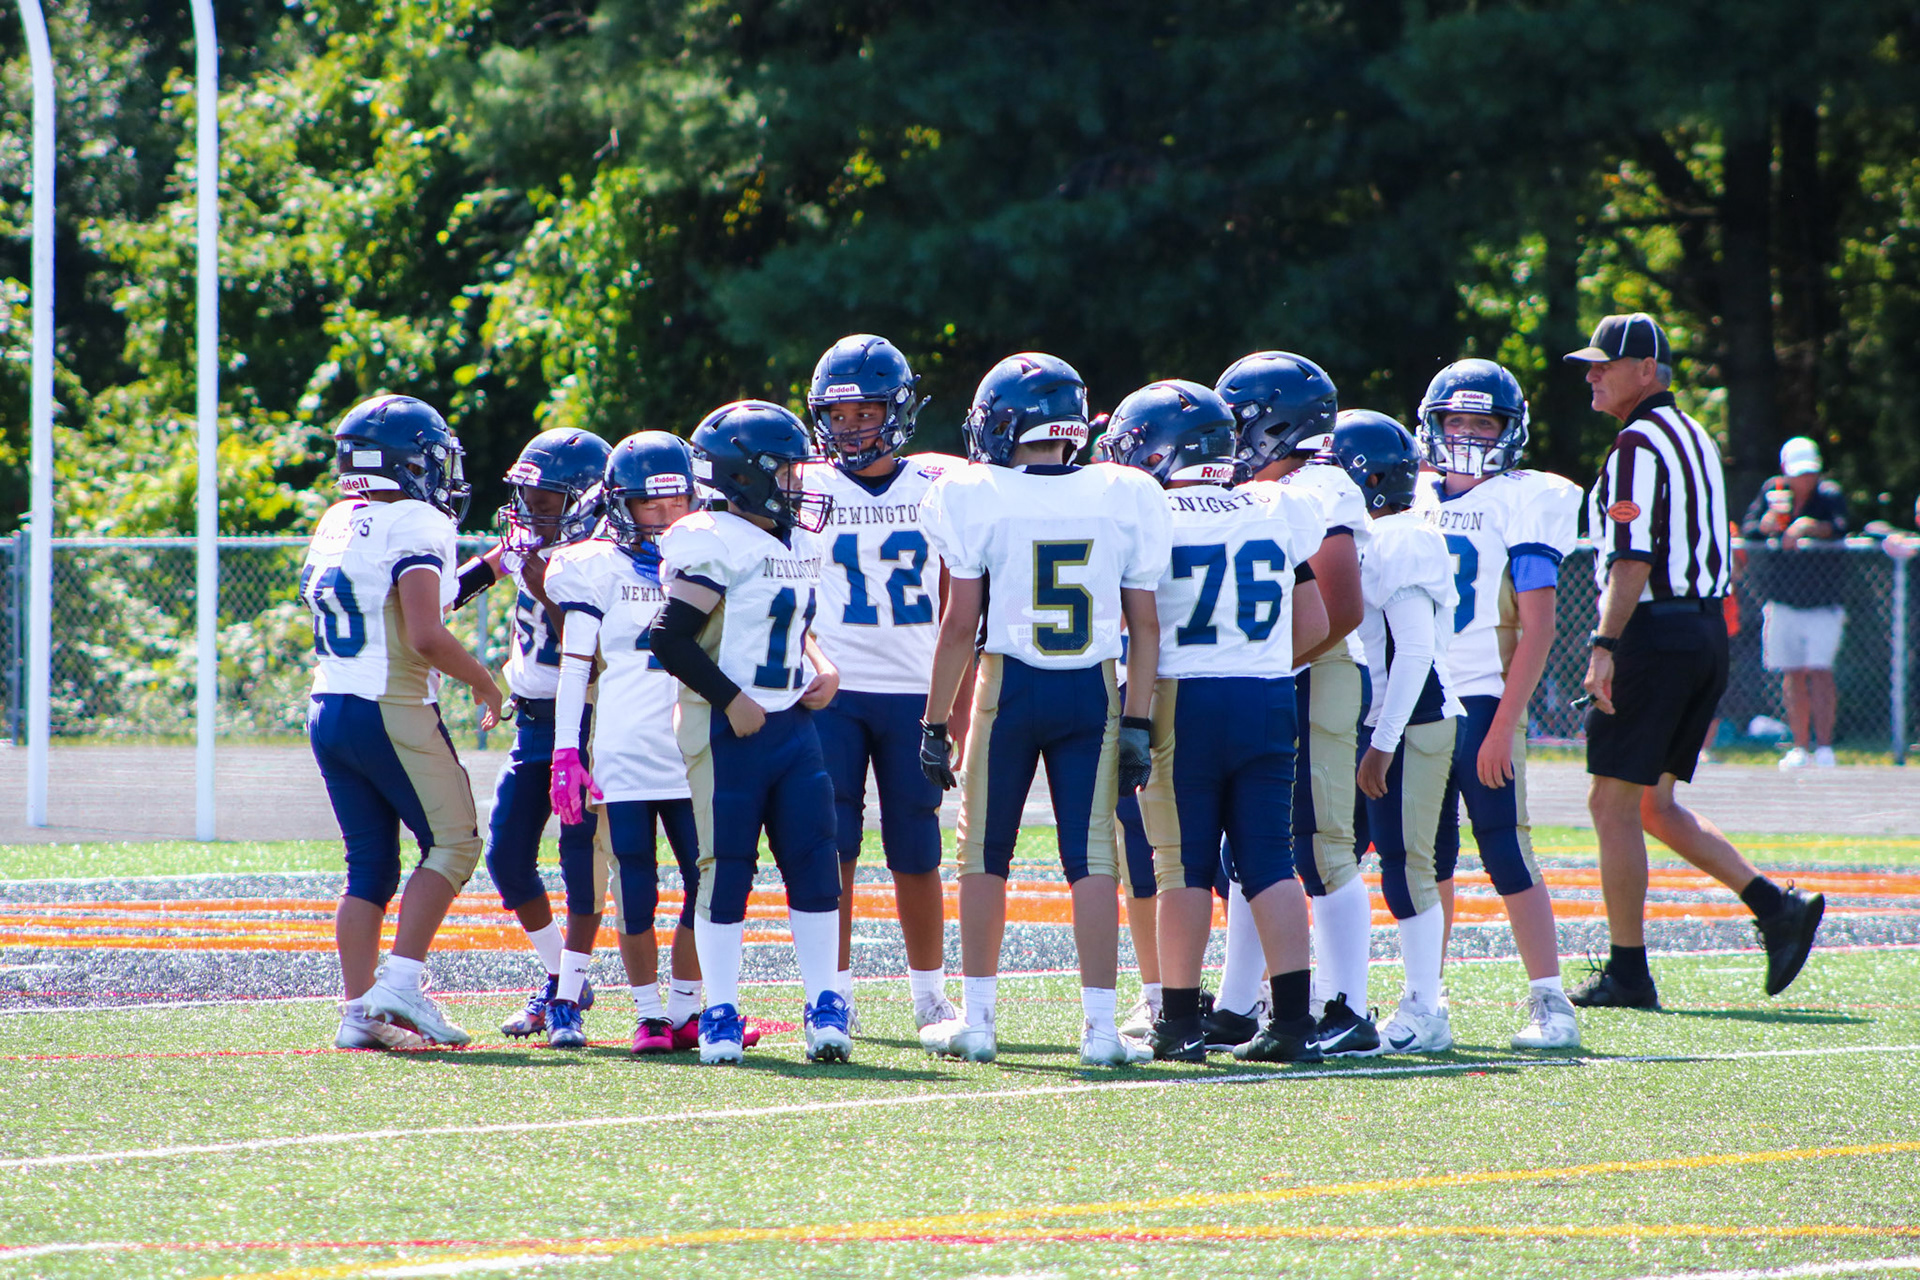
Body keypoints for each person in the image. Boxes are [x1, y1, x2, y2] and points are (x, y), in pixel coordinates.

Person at [916, 352, 1171, 1067]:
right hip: (1092, 688)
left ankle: (980, 1023)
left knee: (981, 852)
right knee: (1092, 857)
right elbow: (1145, 627)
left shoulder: (974, 493)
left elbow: (959, 625)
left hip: (1008, 687)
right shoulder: (1124, 491)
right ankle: (1099, 1030)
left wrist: (934, 722)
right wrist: (1139, 720)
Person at [1568, 312, 1824, 1006]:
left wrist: (1603, 647)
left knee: (1610, 802)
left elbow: (1632, 559)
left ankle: (1629, 971)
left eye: (1603, 365)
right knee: (1652, 805)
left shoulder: (1635, 444)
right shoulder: (1694, 435)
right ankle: (1776, 907)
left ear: (1646, 370)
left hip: (1656, 633)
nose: (1592, 376)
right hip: (1704, 630)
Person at [1099, 380, 1328, 1064]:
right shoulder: (1275, 505)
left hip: (1181, 698)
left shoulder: (1147, 514)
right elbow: (1314, 619)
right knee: (1271, 860)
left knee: (1182, 867)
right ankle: (1293, 1022)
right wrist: (1254, 659)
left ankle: (1177, 1021)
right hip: (1266, 695)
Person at [649, 401, 849, 1064]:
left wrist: (822, 666)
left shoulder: (792, 539)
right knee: (727, 866)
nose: (798, 482)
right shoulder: (713, 538)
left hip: (792, 723)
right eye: (785, 471)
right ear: (744, 476)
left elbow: (787, 623)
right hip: (726, 727)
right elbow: (669, 637)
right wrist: (730, 700)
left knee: (815, 860)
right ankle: (720, 1011)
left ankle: (825, 1002)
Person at [301, 394, 503, 1049]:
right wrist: (485, 682)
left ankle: (357, 1013)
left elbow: (413, 600)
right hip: (389, 706)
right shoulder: (418, 519)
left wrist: (494, 565)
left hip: (329, 705)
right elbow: (425, 632)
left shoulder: (338, 518)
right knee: (455, 843)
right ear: (408, 462)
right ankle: (402, 983)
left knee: (369, 867)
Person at [547, 432, 751, 1055]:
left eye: (677, 502)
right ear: (620, 504)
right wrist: (566, 751)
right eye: (649, 504)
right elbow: (574, 668)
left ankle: (688, 1008)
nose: (665, 517)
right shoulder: (595, 567)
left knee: (705, 881)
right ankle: (649, 1015)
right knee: (635, 887)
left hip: (693, 749)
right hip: (626, 751)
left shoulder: (713, 556)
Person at [1411, 359, 1582, 1051]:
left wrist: (1504, 726)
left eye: (1483, 424)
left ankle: (1552, 1001)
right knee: (1426, 855)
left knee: (1506, 849)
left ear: (1510, 431)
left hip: (1484, 696)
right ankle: (1426, 999)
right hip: (1419, 698)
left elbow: (1538, 628)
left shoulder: (1523, 498)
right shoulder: (1409, 494)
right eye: (1456, 421)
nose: (1467, 435)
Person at [1216, 351, 1378, 1057]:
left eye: (1239, 421)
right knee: (1252, 845)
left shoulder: (1321, 484)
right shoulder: (1256, 487)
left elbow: (1340, 608)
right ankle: (1235, 1004)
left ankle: (1349, 1008)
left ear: (1276, 423)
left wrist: (1255, 664)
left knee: (1322, 845)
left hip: (1319, 664)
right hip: (1274, 669)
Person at [802, 334, 962, 1034]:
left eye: (865, 413)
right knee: (831, 844)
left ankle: (929, 994)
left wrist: (955, 705)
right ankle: (833, 993)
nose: (850, 428)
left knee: (917, 847)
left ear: (896, 411)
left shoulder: (942, 483)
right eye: (838, 415)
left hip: (915, 691)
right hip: (832, 693)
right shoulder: (804, 484)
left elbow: (962, 600)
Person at [451, 427, 611, 1046]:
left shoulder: (601, 558)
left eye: (547, 503)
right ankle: (558, 974)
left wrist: (545, 582)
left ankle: (566, 993)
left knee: (580, 862)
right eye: (528, 499)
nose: (531, 513)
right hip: (532, 721)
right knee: (507, 857)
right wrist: (441, 595)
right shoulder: (528, 540)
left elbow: (588, 649)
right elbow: (486, 569)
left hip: (584, 721)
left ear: (586, 502)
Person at [1332, 410, 1462, 1054]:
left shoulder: (1400, 538)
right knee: (1341, 859)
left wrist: (1382, 745)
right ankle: (1338, 997)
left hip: (1411, 721)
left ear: (1373, 479)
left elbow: (1413, 652)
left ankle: (1425, 1009)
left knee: (1408, 869)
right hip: (1383, 721)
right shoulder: (1373, 535)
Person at [1740, 436, 1851, 769]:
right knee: (1792, 673)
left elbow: (1841, 527)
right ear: (1785, 471)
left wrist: (1809, 527)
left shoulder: (1829, 495)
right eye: (1799, 473)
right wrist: (1765, 524)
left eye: (1810, 473)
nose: (1805, 480)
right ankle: (1799, 746)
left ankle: (1825, 747)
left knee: (1820, 672)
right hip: (1782, 600)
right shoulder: (1772, 491)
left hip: (1823, 602)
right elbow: (1749, 529)